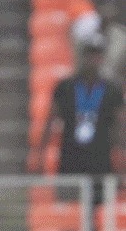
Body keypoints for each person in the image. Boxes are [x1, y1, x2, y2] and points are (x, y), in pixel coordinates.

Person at [31, 36, 123, 207]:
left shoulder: (112, 90)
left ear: (102, 58)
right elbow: (50, 123)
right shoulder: (66, 87)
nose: (92, 60)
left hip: (100, 163)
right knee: (71, 214)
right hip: (71, 161)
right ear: (82, 56)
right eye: (89, 55)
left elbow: (120, 129)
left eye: (96, 55)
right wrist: (40, 156)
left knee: (99, 214)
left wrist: (122, 164)